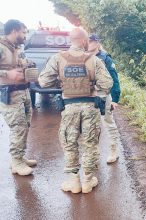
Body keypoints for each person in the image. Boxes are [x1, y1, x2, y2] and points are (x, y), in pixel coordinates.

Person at [38, 27, 112, 194]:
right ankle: (87, 181)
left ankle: (74, 182)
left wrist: (61, 82)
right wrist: (96, 92)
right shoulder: (94, 60)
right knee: (90, 144)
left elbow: (43, 82)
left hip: (69, 107)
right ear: (85, 41)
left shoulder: (58, 58)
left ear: (70, 41)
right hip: (90, 107)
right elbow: (107, 83)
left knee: (70, 144)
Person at [0, 19, 37, 176]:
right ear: (14, 31)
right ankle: (16, 163)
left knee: (25, 125)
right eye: (23, 32)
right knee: (18, 127)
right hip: (9, 93)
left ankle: (20, 157)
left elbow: (20, 63)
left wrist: (29, 64)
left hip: (24, 92)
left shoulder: (16, 48)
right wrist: (7, 73)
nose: (24, 35)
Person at [88, 34, 121, 164]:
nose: (88, 44)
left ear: (96, 43)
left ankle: (114, 151)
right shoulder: (83, 57)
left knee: (108, 123)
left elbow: (114, 79)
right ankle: (94, 153)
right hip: (89, 96)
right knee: (91, 126)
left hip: (103, 95)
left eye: (90, 42)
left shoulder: (105, 58)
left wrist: (115, 99)